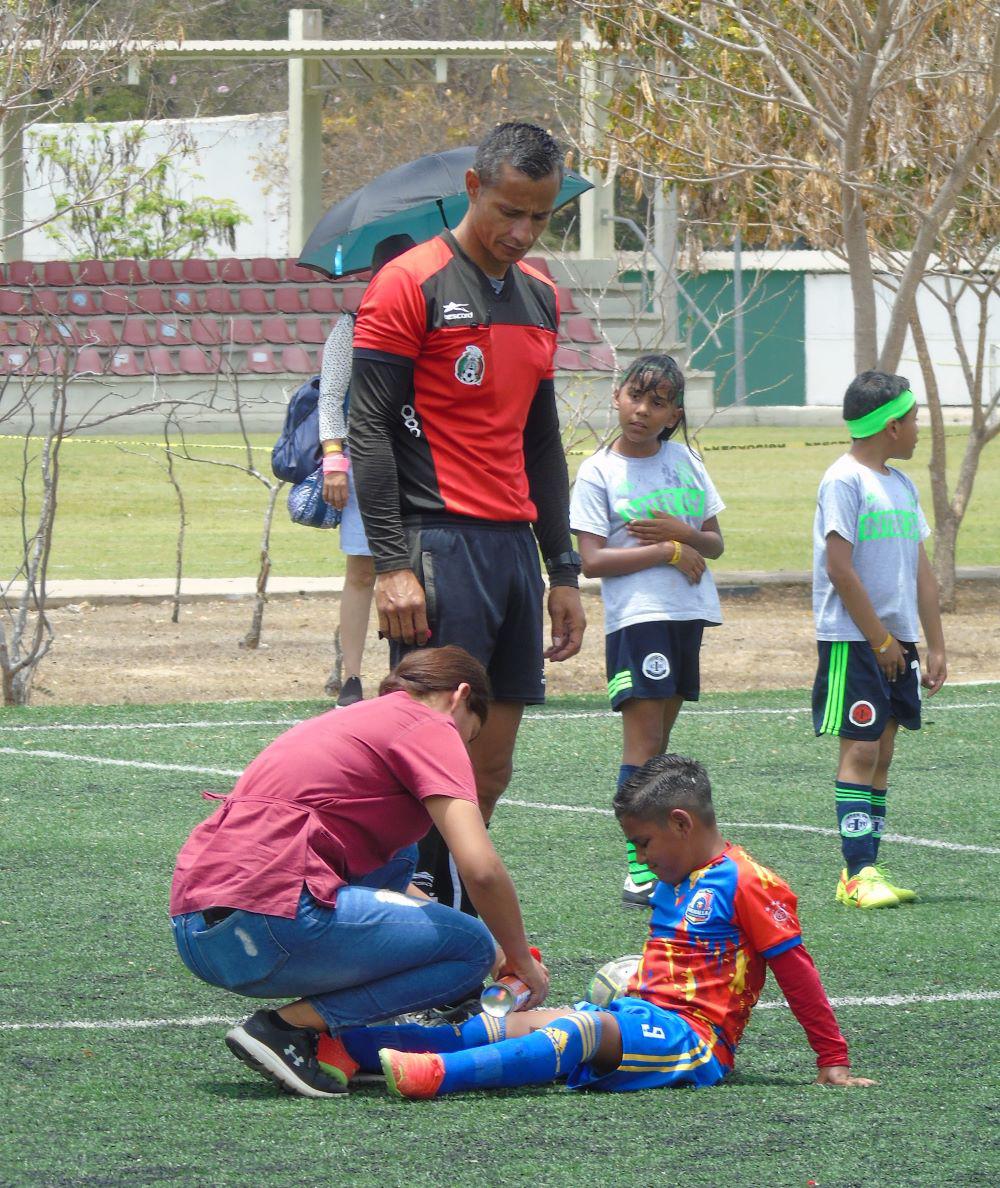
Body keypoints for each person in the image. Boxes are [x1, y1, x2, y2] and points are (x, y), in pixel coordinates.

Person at [314, 754, 874, 1099]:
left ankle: (437, 1075)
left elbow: (796, 971)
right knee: (507, 1024)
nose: (641, 856)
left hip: (696, 1041)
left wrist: (832, 1060)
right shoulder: (680, 873)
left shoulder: (750, 882)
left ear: (681, 823)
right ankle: (346, 1046)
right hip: (641, 1014)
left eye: (644, 843)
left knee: (581, 1033)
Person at [348, 121, 586, 915]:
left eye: (540, 218)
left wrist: (564, 570)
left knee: (490, 771)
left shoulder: (543, 295)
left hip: (515, 553)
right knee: (429, 764)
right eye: (509, 211)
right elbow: (369, 429)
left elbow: (541, 442)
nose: (521, 232)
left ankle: (443, 921)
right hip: (438, 544)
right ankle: (402, 920)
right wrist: (390, 562)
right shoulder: (409, 283)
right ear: (474, 187)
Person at [169, 645, 549, 1099]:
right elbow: (480, 868)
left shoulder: (352, 721)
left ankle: (334, 1040)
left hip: (199, 932)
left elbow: (396, 895)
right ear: (460, 696)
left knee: (402, 854)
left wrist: (494, 953)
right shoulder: (430, 724)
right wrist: (513, 955)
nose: (463, 746)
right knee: (469, 949)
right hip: (271, 919)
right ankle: (285, 1029)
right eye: (470, 735)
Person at [570, 353, 724, 909]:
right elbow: (591, 560)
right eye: (635, 396)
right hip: (639, 619)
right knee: (643, 743)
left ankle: (662, 860)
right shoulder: (598, 471)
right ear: (617, 396)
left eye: (657, 403)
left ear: (673, 413)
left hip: (686, 615)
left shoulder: (685, 460)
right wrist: (668, 549)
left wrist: (685, 534)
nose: (641, 410)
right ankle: (639, 867)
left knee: (661, 749)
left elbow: (714, 542)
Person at [812, 370, 946, 909]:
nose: (918, 429)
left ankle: (868, 865)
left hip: (897, 642)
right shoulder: (844, 480)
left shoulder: (901, 484)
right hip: (855, 640)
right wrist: (880, 639)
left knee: (884, 753)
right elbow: (840, 568)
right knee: (862, 748)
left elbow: (921, 571)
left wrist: (931, 644)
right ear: (892, 426)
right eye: (915, 420)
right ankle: (856, 871)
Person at [318, 233, 416, 708]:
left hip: (420, 461)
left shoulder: (433, 322)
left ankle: (410, 674)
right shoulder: (350, 326)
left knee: (419, 566)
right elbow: (331, 396)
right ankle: (352, 678)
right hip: (364, 461)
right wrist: (334, 460)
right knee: (362, 570)